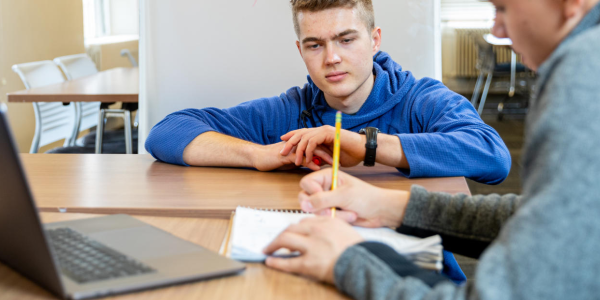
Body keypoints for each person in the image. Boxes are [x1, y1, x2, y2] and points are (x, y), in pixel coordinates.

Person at [145, 0, 511, 283]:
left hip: (412, 281)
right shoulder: (291, 111)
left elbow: (492, 156)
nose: (332, 58)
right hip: (315, 273)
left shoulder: (419, 99)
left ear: (375, 39)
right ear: (300, 50)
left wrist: (367, 146)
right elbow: (168, 131)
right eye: (314, 45)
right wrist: (257, 154)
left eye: (346, 39)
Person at [262, 0, 600, 299]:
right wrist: (388, 205)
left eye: (503, 8)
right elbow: (541, 217)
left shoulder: (582, 74)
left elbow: (492, 157)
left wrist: (349, 259)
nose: (496, 28)